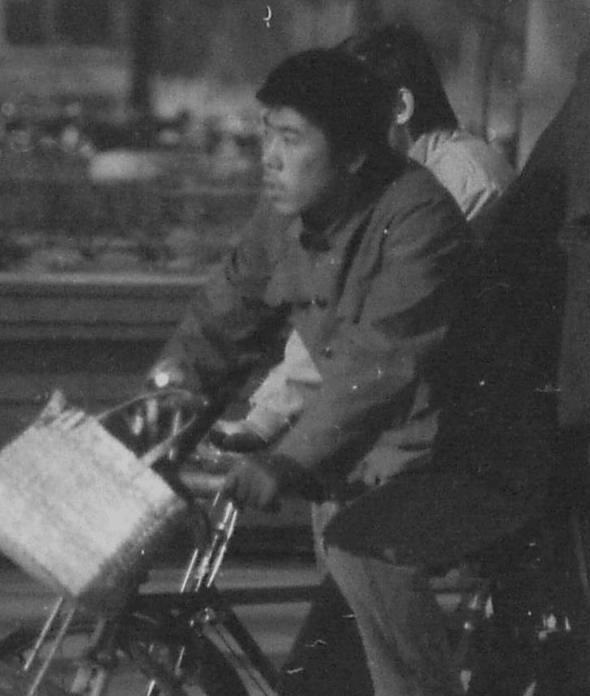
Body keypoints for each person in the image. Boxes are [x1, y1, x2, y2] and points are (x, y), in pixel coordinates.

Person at [148, 46, 478, 696]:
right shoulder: (287, 218)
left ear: (356, 153)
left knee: (353, 561)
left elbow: (380, 363)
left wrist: (281, 465)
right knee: (313, 692)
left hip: (442, 459)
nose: (270, 155)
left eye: (291, 138)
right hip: (360, 461)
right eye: (265, 134)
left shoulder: (417, 218)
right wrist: (172, 390)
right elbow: (227, 309)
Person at [214, 22, 514, 450]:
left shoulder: (461, 180)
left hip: (441, 440)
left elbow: (373, 324)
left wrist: (269, 419)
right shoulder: (389, 182)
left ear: (401, 107)